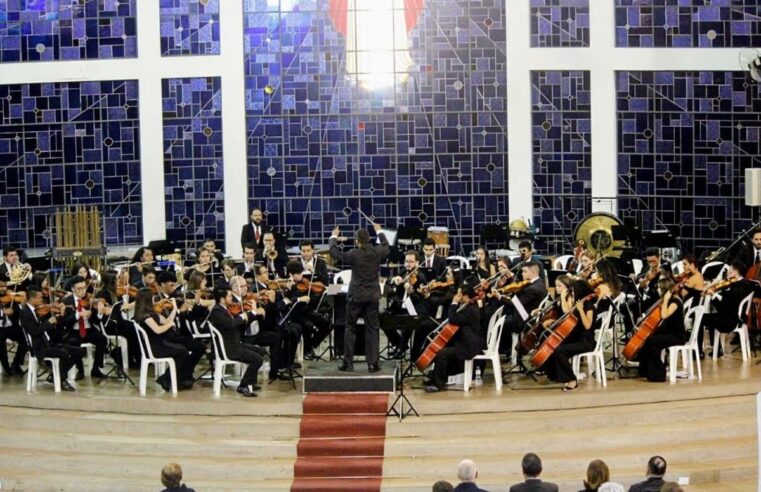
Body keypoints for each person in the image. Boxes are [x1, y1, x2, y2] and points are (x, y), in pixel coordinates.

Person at [329, 223, 389, 373]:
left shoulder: (353, 254)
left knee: (350, 328)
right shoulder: (377, 252)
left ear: (357, 241)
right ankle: (373, 364)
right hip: (372, 297)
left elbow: (334, 253)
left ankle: (348, 363)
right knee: (373, 329)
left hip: (355, 297)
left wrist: (334, 237)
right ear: (369, 239)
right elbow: (387, 246)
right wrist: (379, 231)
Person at [19, 286, 84, 392]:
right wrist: (49, 322)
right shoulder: (25, 312)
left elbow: (53, 322)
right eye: (40, 298)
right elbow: (34, 332)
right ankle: (61, 379)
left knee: (79, 351)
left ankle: (55, 377)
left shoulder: (37, 310)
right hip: (39, 347)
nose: (42, 300)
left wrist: (60, 314)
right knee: (64, 353)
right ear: (32, 298)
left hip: (48, 342)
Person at [423, 282, 481, 393]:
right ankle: (435, 378)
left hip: (468, 347)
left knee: (441, 354)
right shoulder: (469, 306)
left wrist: (454, 303)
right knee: (443, 349)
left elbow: (453, 318)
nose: (457, 297)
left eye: (459, 295)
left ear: (466, 297)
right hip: (466, 342)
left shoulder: (470, 310)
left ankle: (438, 385)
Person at [207, 288, 264, 397]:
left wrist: (249, 316)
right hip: (229, 349)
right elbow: (231, 324)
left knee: (260, 351)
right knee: (258, 360)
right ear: (222, 299)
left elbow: (236, 326)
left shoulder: (224, 309)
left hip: (235, 344)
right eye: (229, 296)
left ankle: (250, 381)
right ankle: (243, 385)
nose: (231, 298)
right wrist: (242, 316)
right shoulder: (217, 311)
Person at [540, 279, 596, 391]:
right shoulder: (578, 304)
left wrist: (580, 310)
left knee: (560, 350)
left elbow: (587, 325)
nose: (573, 295)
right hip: (577, 338)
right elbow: (568, 316)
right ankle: (555, 376)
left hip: (586, 341)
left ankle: (572, 380)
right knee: (552, 346)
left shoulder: (589, 306)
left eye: (574, 292)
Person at [133, 288, 193, 391]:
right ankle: (171, 379)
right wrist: (169, 324)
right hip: (155, 348)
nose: (154, 300)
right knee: (182, 352)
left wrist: (174, 309)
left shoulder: (152, 314)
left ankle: (170, 378)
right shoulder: (146, 317)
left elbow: (167, 321)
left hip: (160, 344)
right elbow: (158, 330)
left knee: (182, 350)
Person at [636, 277, 686, 382]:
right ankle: (645, 371)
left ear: (665, 289)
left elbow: (664, 315)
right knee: (648, 339)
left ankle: (659, 372)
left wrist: (666, 299)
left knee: (651, 341)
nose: (658, 290)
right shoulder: (668, 301)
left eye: (659, 288)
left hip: (677, 336)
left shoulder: (675, 302)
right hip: (669, 333)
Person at [59, 275, 108, 380]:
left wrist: (99, 313)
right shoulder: (66, 302)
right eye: (79, 289)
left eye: (84, 288)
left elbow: (96, 321)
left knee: (102, 339)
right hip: (74, 331)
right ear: (73, 289)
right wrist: (78, 315)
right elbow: (64, 322)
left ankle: (96, 368)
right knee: (74, 343)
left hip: (89, 329)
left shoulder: (90, 300)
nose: (82, 291)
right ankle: (79, 370)